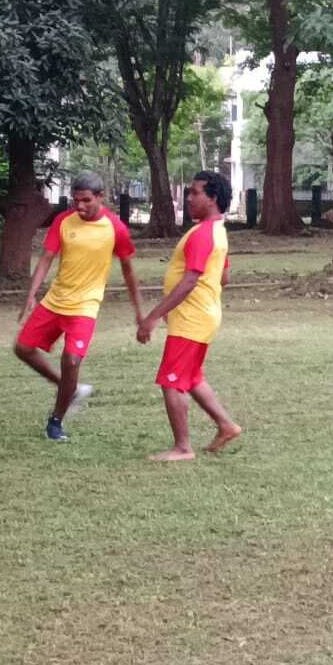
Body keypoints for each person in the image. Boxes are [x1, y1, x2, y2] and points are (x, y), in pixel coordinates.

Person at [15, 172, 142, 442]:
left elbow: (129, 270)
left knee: (71, 360)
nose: (80, 206)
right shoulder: (63, 220)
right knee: (22, 348)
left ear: (100, 197)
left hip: (86, 305)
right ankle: (67, 388)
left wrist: (139, 311)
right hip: (55, 300)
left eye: (86, 200)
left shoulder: (115, 228)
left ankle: (55, 423)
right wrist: (31, 294)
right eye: (76, 201)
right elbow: (46, 258)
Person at [136, 171, 242, 461]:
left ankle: (183, 448)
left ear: (213, 198)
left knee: (172, 381)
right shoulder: (216, 231)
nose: (189, 197)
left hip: (192, 319)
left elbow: (189, 280)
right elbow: (225, 277)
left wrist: (153, 316)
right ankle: (226, 425)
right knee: (192, 377)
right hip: (202, 315)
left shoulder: (205, 233)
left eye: (195, 193)